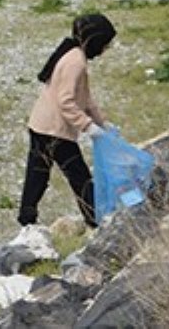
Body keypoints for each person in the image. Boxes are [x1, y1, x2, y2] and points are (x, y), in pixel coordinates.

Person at [17, 13, 116, 229]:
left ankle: (26, 216)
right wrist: (88, 126)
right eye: (104, 45)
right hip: (54, 129)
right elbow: (67, 102)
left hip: (41, 124)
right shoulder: (76, 62)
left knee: (38, 173)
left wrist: (102, 122)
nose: (104, 50)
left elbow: (86, 97)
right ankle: (94, 217)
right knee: (78, 174)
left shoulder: (71, 53)